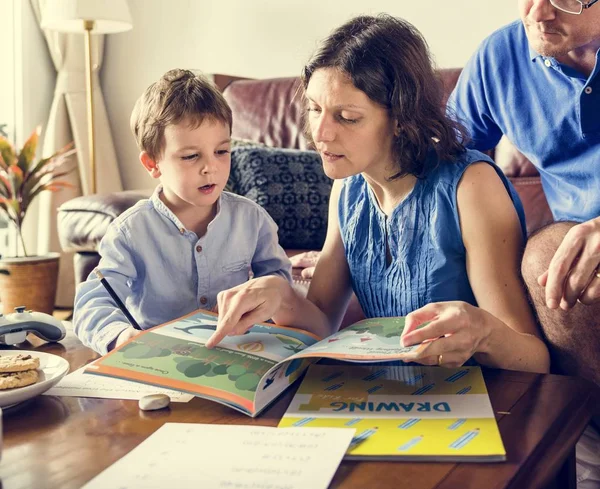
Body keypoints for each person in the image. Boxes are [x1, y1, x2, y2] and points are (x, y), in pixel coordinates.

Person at [205, 14, 550, 376]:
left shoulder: (471, 187)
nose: (320, 133)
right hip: (385, 395)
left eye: (347, 117)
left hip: (474, 402)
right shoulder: (348, 188)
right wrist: (281, 293)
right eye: (314, 108)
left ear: (402, 118)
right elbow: (321, 323)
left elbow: (534, 360)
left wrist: (484, 333)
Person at [73, 69, 295, 355]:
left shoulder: (251, 219)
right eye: (191, 156)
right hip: (158, 360)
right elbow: (93, 301)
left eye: (222, 151)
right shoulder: (130, 231)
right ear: (152, 163)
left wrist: (266, 298)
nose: (210, 167)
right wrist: (121, 337)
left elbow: (279, 283)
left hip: (235, 354)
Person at [446, 0, 600, 387]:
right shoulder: (500, 57)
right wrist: (352, 244)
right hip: (579, 259)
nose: (538, 13)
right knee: (547, 260)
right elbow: (437, 159)